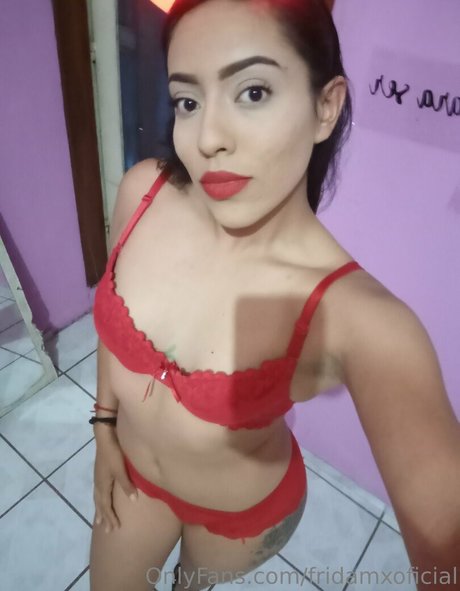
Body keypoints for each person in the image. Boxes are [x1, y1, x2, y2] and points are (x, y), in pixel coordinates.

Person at [89, 0, 460, 589]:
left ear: (325, 107)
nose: (208, 138)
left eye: (253, 92)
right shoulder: (143, 192)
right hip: (131, 474)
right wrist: (104, 424)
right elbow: (112, 329)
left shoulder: (358, 318)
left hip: (242, 518)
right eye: (188, 101)